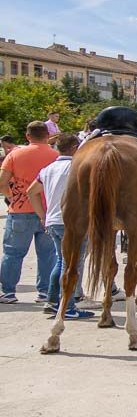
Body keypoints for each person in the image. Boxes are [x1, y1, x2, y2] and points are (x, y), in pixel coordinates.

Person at [26, 134, 93, 320]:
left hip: (53, 221)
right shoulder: (77, 167)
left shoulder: (48, 169)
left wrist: (43, 215)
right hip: (73, 222)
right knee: (72, 265)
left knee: (60, 261)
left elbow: (31, 192)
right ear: (74, 148)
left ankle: (52, 301)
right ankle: (68, 307)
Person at [0, 121, 59, 304]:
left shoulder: (15, 154)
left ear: (27, 136)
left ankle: (8, 292)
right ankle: (43, 292)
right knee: (48, 254)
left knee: (12, 253)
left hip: (19, 210)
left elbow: (2, 182)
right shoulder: (56, 155)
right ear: (48, 136)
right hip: (47, 212)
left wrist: (11, 196)